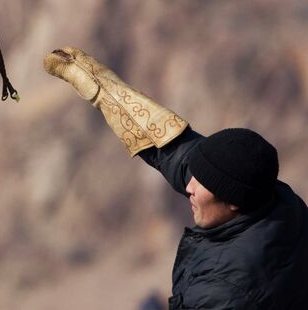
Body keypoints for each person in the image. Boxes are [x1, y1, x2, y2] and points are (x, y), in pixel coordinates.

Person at [44, 47, 308, 310]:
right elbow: (169, 145)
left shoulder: (224, 290)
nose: (189, 187)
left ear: (233, 203)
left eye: (201, 183)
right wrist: (102, 88)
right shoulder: (270, 197)